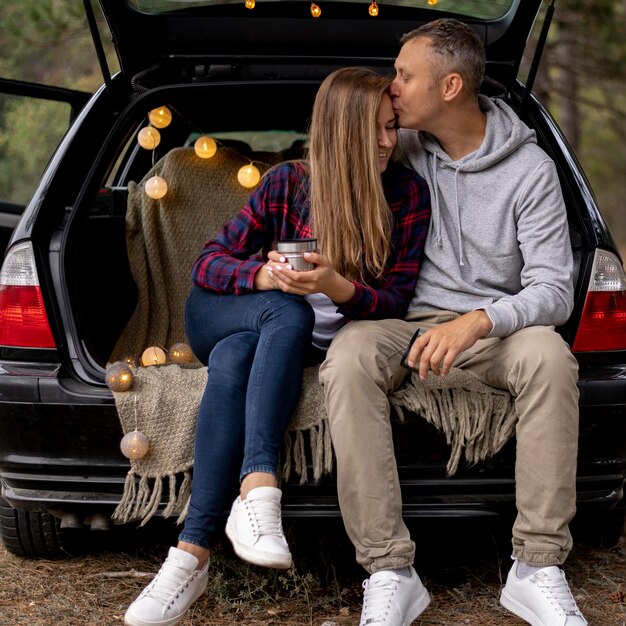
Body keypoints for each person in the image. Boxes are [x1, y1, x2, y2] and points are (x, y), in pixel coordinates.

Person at [124, 66, 431, 626]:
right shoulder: (288, 183)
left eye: (394, 128)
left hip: (278, 341)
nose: (391, 141)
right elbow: (207, 266)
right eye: (379, 130)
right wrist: (262, 276)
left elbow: (397, 301)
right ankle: (258, 488)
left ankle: (189, 556)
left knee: (238, 357)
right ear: (342, 132)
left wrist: (337, 287)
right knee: (282, 309)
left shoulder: (406, 195)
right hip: (222, 311)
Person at [319, 19, 587, 626]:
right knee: (350, 354)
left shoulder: (531, 171)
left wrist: (478, 322)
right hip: (405, 324)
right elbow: (333, 161)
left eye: (405, 75)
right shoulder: (399, 145)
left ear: (450, 86)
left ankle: (537, 567)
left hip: (493, 332)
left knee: (549, 356)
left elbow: (552, 289)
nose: (393, 88)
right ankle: (389, 571)